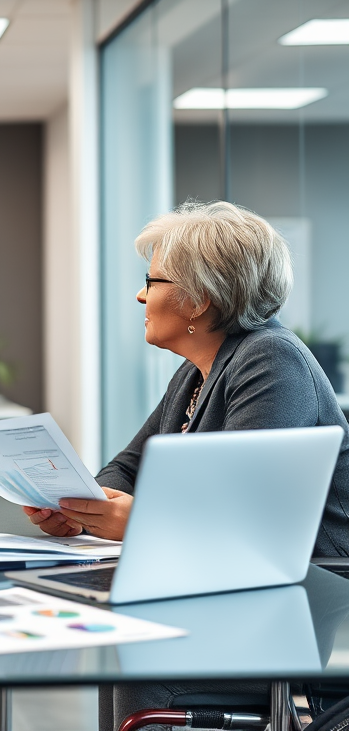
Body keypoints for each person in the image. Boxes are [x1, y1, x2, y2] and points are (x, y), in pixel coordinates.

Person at [24, 200, 349, 731]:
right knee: (114, 628)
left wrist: (141, 523)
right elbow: (126, 467)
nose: (139, 294)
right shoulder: (199, 370)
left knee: (134, 648)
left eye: (151, 280)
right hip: (227, 588)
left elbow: (249, 522)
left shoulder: (273, 362)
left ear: (198, 299)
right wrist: (83, 504)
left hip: (296, 602)